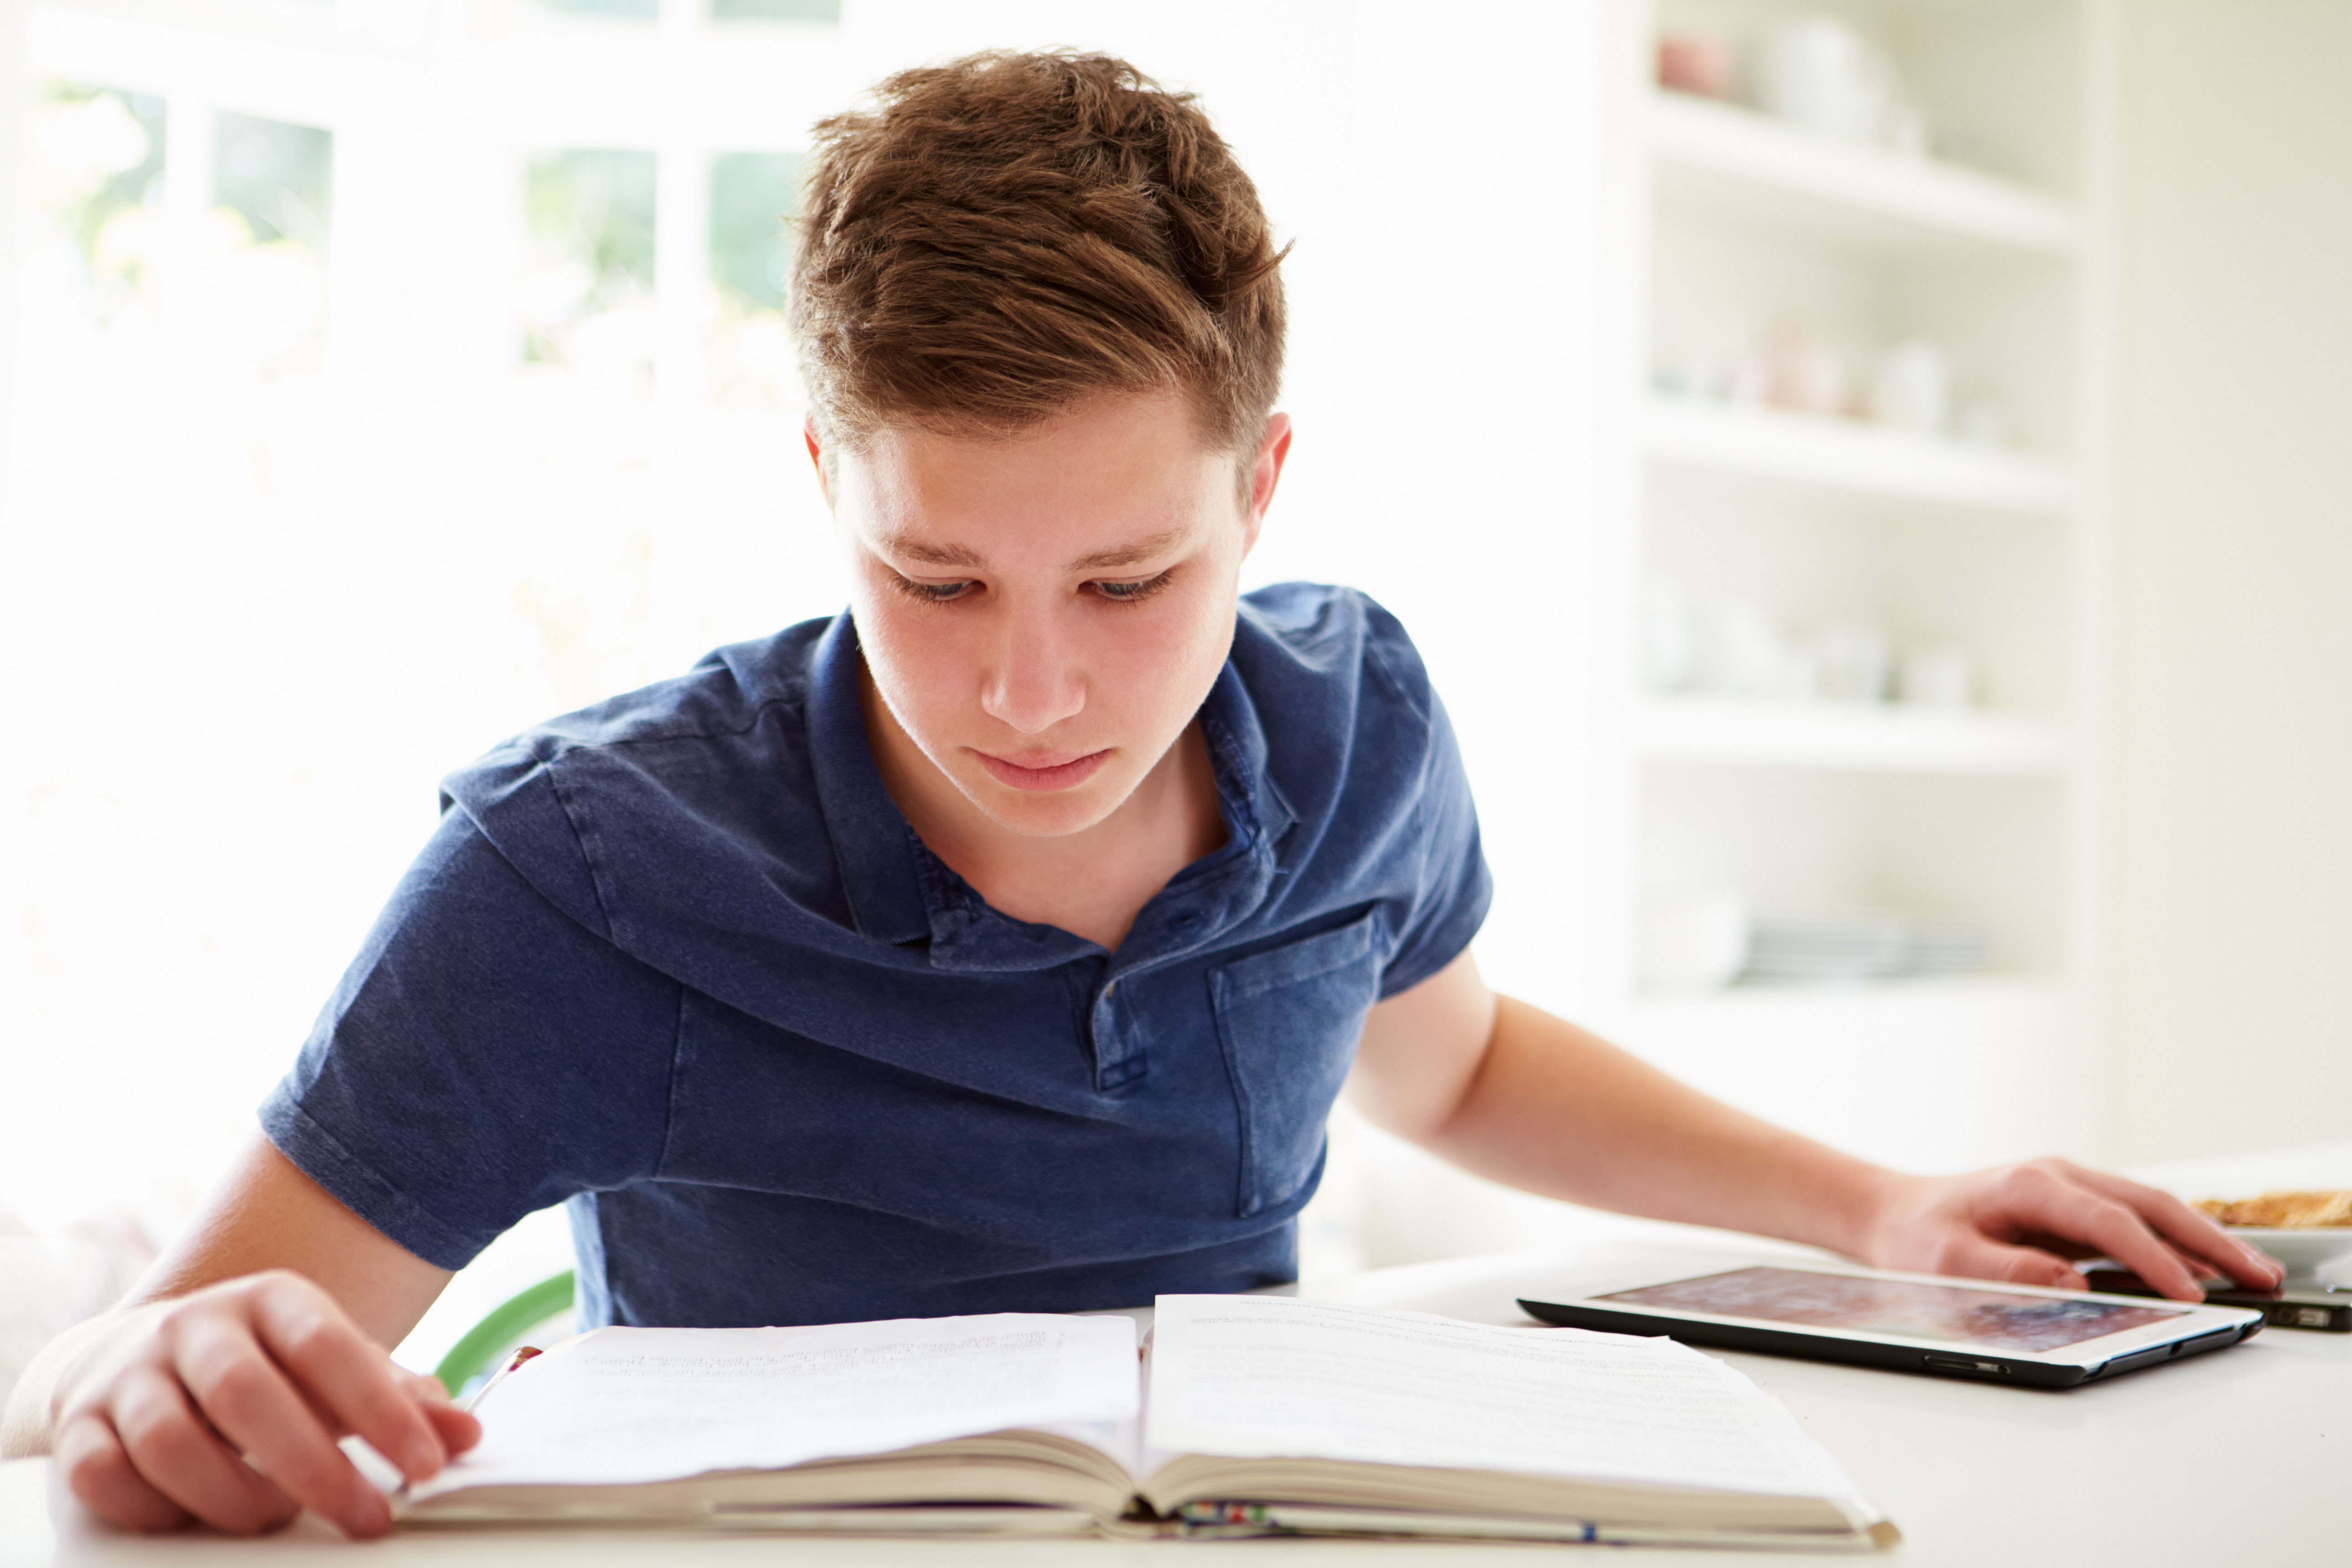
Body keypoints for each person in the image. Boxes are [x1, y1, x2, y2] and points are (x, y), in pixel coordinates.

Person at [2, 49, 2281, 1539]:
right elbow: (117, 1373)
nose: (1026, 688)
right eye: (928, 570)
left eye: (1126, 574)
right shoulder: (574, 872)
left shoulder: (1357, 719)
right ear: (822, 479)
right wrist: (155, 1365)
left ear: (1260, 482)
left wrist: (1874, 1213)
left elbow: (1451, 1057)